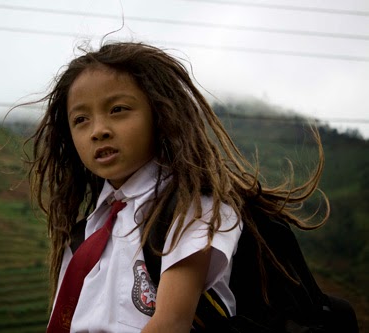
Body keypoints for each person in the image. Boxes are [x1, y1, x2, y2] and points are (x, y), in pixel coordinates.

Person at [25, 41, 327, 333]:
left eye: (118, 109)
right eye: (81, 119)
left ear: (160, 114)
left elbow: (171, 324)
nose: (98, 130)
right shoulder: (83, 237)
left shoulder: (192, 211)